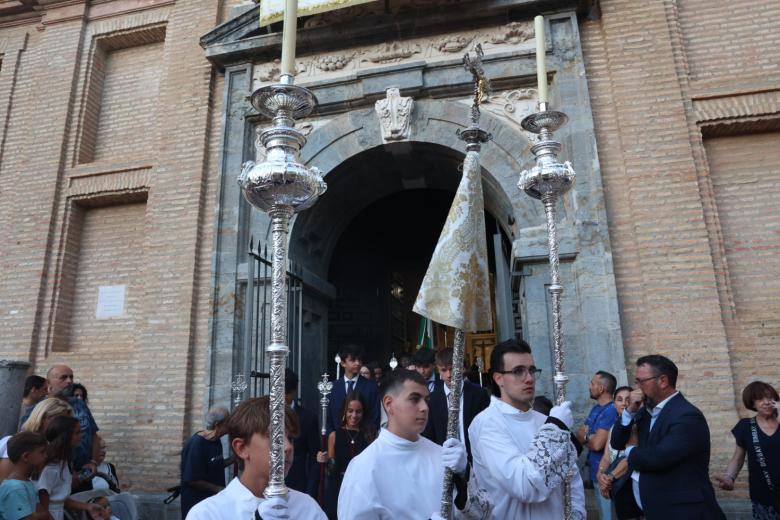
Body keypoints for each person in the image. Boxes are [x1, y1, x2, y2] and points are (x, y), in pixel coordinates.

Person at [468, 338, 585, 519]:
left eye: (531, 370)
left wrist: (576, 514)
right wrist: (557, 427)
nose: (529, 378)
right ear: (498, 378)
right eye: (518, 371)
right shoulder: (487, 423)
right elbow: (525, 486)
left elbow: (571, 477)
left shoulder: (544, 420)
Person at [337, 369, 471, 519]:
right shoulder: (365, 467)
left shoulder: (441, 454)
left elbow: (482, 514)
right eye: (414, 399)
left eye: (426, 400)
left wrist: (464, 476)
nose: (424, 408)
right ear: (389, 404)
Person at [610, 354, 725, 519]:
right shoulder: (644, 412)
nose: (636, 388)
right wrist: (629, 412)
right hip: (652, 509)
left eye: (641, 381)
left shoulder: (687, 416)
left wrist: (631, 449)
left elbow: (659, 457)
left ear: (662, 381)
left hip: (681, 511)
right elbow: (617, 442)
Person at [185, 396, 326, 520]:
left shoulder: (307, 508)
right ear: (241, 448)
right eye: (274, 437)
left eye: (290, 438)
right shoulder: (207, 514)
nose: (288, 447)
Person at [716, 381, 780, 519]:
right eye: (760, 399)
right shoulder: (745, 426)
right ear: (752, 403)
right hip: (763, 497)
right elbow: (738, 458)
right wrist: (729, 477)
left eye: (770, 397)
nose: (767, 402)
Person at [20, 365, 101, 474]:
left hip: (85, 472)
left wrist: (93, 462)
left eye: (71, 377)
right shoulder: (38, 409)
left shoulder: (80, 404)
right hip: (55, 474)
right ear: (48, 383)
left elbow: (94, 435)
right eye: (63, 378)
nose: (69, 381)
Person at [423, 347, 490, 463]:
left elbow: (488, 431)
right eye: (444, 370)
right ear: (438, 371)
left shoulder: (479, 394)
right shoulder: (433, 399)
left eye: (452, 369)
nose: (449, 374)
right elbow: (430, 437)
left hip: (477, 461)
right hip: (444, 464)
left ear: (461, 368)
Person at [317, 392, 375, 519]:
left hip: (361, 489)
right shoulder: (334, 436)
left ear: (363, 412)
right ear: (344, 411)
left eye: (358, 411)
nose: (354, 415)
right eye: (350, 411)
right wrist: (324, 460)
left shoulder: (369, 436)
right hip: (338, 487)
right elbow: (331, 470)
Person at [37, 416, 101, 520]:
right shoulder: (50, 468)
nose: (81, 435)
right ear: (66, 436)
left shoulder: (64, 462)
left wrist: (88, 506)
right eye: (77, 432)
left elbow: (60, 500)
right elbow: (44, 507)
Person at [576, 370, 618, 520]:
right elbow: (578, 435)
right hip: (595, 472)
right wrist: (589, 437)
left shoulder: (612, 410)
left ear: (601, 389)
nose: (589, 386)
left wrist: (587, 436)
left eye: (592, 383)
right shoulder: (596, 408)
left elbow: (598, 444)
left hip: (606, 476)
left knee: (609, 516)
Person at [597, 386, 640, 520]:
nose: (623, 403)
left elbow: (630, 459)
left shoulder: (634, 427)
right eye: (619, 399)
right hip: (615, 485)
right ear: (614, 403)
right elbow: (606, 457)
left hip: (627, 486)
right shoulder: (613, 427)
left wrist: (609, 478)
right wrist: (600, 476)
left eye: (628, 399)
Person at [180, 405, 230, 518]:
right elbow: (192, 480)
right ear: (218, 425)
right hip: (197, 505)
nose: (231, 424)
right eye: (228, 421)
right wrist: (219, 489)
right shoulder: (197, 444)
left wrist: (235, 459)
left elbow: (215, 465)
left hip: (213, 503)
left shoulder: (216, 441)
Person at [326, 344, 380, 432]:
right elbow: (328, 418)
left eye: (359, 360)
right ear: (343, 363)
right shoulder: (332, 387)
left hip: (364, 439)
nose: (358, 363)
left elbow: (375, 417)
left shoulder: (371, 387)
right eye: (353, 360)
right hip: (337, 440)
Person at [284, 369, 320, 499]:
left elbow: (314, 458)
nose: (281, 396)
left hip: (298, 486)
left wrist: (310, 492)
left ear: (294, 391)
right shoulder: (265, 415)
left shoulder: (308, 418)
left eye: (285, 392)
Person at [0, 431, 50, 520]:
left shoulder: (26, 483)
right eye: (42, 452)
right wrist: (44, 515)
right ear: (26, 456)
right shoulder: (15, 488)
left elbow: (38, 508)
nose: (46, 456)